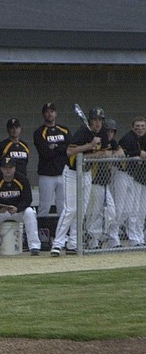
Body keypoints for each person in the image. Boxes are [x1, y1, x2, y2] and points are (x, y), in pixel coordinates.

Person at [51, 107, 111, 257]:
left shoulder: (103, 132)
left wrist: (88, 155)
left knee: (82, 210)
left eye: (100, 120)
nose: (97, 123)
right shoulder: (83, 132)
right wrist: (90, 146)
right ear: (90, 121)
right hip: (71, 173)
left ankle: (73, 243)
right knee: (70, 209)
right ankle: (57, 244)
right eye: (95, 120)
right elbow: (70, 152)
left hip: (86, 173)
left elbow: (106, 152)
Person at [0, 157, 41, 257]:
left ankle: (34, 246)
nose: (8, 170)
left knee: (29, 212)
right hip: (1, 212)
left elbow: (28, 199)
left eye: (10, 167)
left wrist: (18, 208)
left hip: (17, 211)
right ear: (1, 169)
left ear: (14, 168)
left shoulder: (22, 179)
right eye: (5, 168)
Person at [85, 119, 123, 249]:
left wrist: (109, 155)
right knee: (93, 213)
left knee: (111, 212)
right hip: (94, 181)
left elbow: (121, 153)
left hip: (106, 183)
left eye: (112, 132)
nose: (109, 134)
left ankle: (94, 235)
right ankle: (92, 241)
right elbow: (96, 155)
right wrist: (105, 155)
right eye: (107, 131)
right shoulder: (97, 141)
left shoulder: (112, 143)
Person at [33, 103, 70, 215]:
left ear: (56, 113)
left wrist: (56, 146)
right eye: (47, 111)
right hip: (46, 175)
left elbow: (70, 148)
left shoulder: (64, 130)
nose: (50, 114)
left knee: (63, 207)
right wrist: (62, 149)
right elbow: (45, 152)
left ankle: (62, 233)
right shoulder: (39, 132)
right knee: (44, 206)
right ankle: (41, 231)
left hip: (63, 173)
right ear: (44, 114)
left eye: (52, 111)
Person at [115, 116, 146, 246]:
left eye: (143, 126)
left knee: (141, 210)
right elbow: (121, 153)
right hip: (126, 175)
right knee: (125, 209)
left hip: (140, 178)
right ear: (132, 127)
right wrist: (139, 153)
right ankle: (125, 237)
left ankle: (139, 238)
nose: (140, 129)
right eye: (137, 126)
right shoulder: (128, 138)